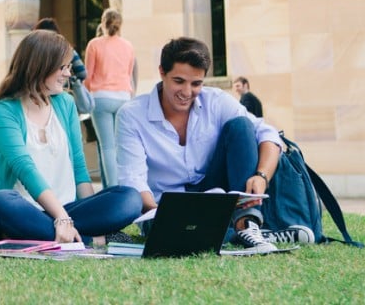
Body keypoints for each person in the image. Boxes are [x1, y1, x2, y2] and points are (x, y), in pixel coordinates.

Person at [116, 37, 284, 252]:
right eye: (179, 81)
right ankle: (256, 232)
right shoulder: (131, 115)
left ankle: (246, 224)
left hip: (215, 194)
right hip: (163, 206)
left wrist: (261, 176)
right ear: (162, 73)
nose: (187, 92)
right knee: (183, 235)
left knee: (241, 126)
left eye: (196, 84)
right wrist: (161, 213)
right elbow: (133, 178)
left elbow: (267, 133)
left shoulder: (216, 100)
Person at [0, 29, 141, 245]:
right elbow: (25, 169)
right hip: (19, 209)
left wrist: (88, 210)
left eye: (69, 67)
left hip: (65, 212)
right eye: (62, 67)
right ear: (39, 66)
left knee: (130, 198)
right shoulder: (4, 111)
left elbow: (80, 169)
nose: (68, 74)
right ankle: (92, 240)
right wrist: (61, 217)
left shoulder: (65, 104)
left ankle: (40, 234)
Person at [84, 9, 137, 187]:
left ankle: (114, 188)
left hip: (101, 98)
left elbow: (88, 77)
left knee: (107, 146)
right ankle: (120, 185)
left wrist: (85, 97)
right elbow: (129, 75)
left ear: (102, 22)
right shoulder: (128, 46)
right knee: (120, 146)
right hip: (123, 97)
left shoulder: (94, 44)